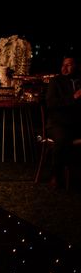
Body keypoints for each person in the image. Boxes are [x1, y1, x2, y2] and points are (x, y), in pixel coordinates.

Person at [45, 56, 81, 189]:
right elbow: (51, 103)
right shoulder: (56, 82)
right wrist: (73, 97)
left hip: (76, 123)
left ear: (76, 66)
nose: (64, 68)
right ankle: (56, 175)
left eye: (69, 65)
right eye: (63, 65)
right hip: (58, 123)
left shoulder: (79, 81)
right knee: (62, 139)